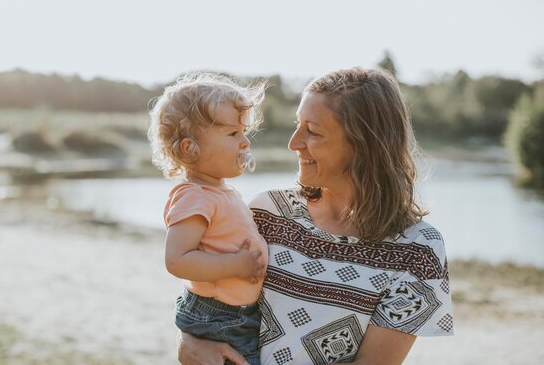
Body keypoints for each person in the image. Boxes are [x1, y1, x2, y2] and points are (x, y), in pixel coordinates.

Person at [177, 67, 454, 365]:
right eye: (298, 125)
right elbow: (209, 308)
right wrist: (188, 345)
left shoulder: (417, 250)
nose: (294, 143)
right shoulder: (266, 213)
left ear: (364, 145)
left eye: (313, 131)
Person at [148, 72, 270, 365]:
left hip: (235, 312)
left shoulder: (219, 191)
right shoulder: (194, 197)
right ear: (191, 148)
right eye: (232, 134)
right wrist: (236, 265)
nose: (244, 143)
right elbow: (177, 260)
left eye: (244, 133)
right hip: (219, 316)